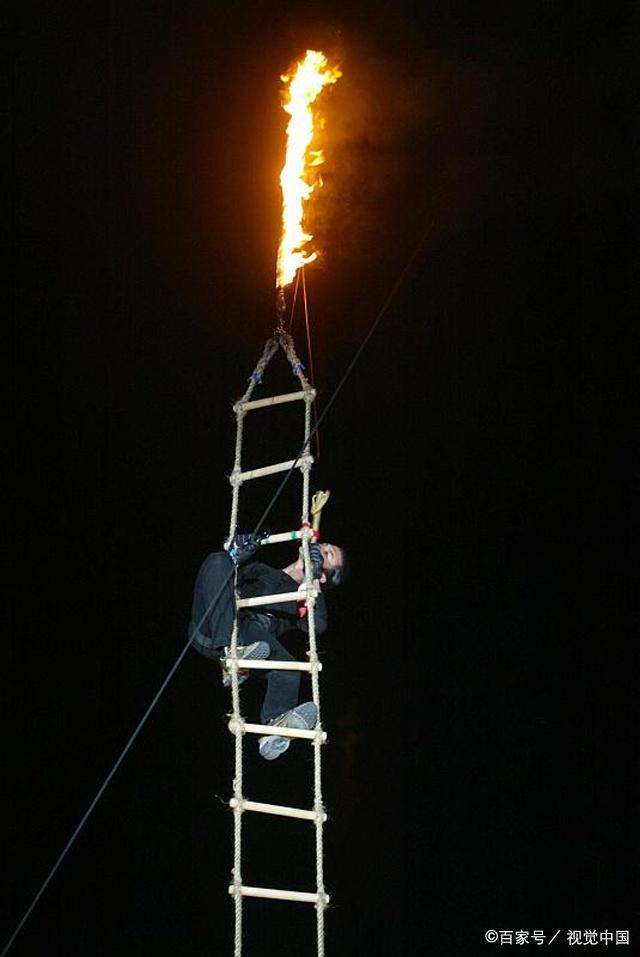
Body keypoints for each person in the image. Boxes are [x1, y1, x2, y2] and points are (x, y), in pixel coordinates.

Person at [189, 534, 347, 760]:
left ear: (323, 577)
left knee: (288, 667)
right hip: (213, 628)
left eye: (328, 553)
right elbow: (218, 578)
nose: (321, 548)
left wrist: (311, 577)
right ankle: (230, 655)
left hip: (249, 637)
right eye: (324, 545)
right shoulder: (259, 570)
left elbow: (318, 624)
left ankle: (275, 729)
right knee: (218, 560)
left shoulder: (302, 598)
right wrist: (237, 555)